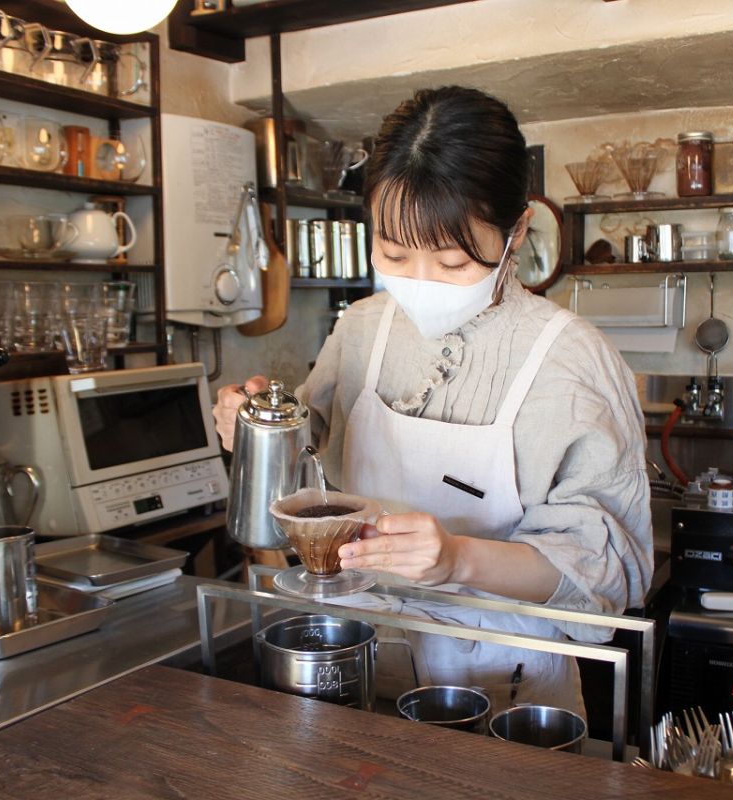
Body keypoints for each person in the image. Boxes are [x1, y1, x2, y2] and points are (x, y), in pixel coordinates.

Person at [214, 85, 652, 717]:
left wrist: (457, 560)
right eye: (393, 254)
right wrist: (256, 429)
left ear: (516, 231)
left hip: (506, 690)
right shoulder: (362, 328)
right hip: (354, 662)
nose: (418, 282)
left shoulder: (572, 360)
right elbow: (308, 461)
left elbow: (608, 574)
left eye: (451, 263)